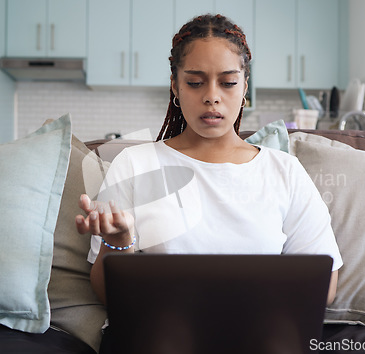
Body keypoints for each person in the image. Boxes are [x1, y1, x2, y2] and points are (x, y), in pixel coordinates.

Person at [75, 14, 342, 307]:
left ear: (244, 88)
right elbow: (107, 296)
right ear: (175, 86)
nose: (211, 97)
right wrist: (118, 242)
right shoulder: (136, 164)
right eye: (195, 82)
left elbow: (324, 287)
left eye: (227, 83)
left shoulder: (285, 172)